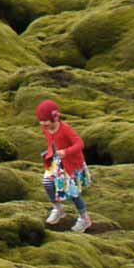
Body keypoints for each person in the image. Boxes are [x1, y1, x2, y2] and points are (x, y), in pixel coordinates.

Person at [37, 99, 91, 232]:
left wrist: (66, 152)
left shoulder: (66, 129)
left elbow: (80, 144)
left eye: (46, 120)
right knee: (47, 183)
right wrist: (50, 153)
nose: (43, 124)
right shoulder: (46, 128)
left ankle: (84, 219)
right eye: (41, 120)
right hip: (56, 162)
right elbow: (52, 142)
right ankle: (58, 209)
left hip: (71, 164)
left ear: (54, 118)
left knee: (73, 193)